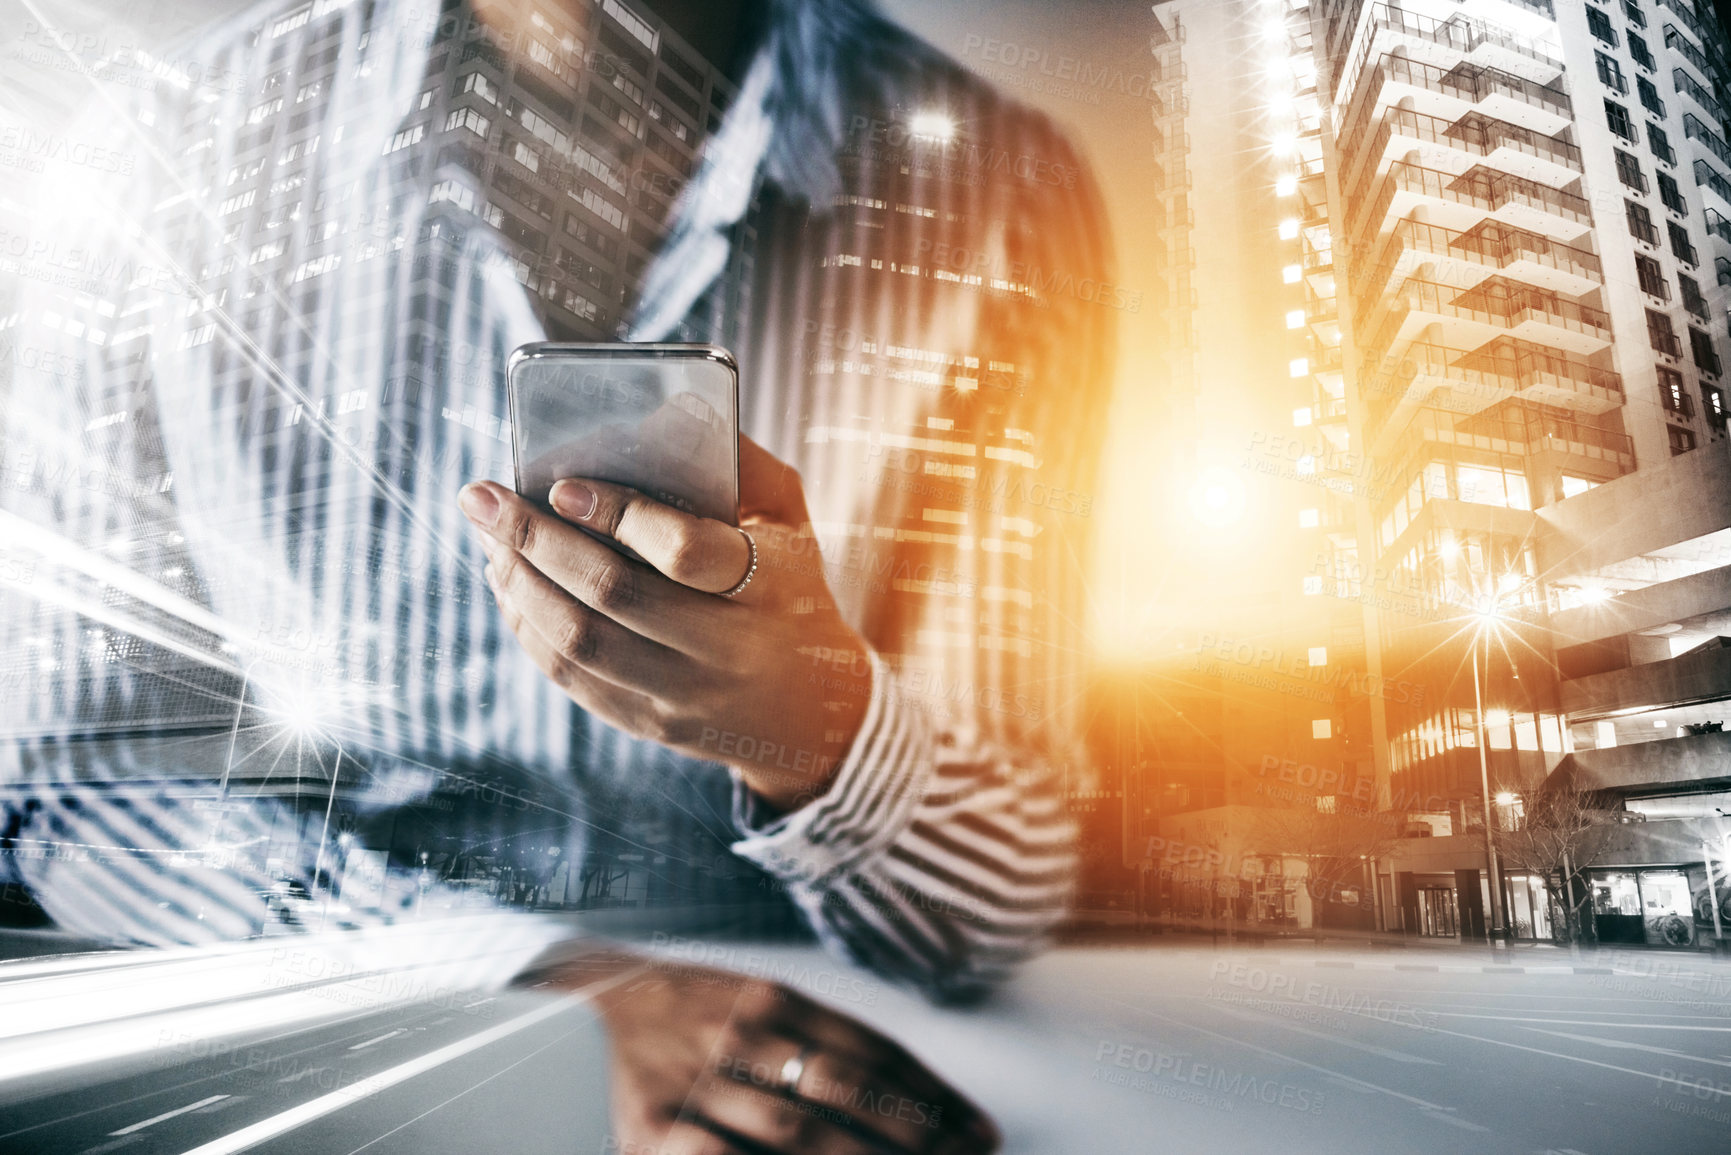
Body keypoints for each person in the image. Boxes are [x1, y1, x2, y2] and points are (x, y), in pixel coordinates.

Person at [0, 1, 1113, 1138]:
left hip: (804, 1066)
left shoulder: (1001, 193)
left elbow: (998, 895)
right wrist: (525, 984)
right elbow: (83, 791)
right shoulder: (159, 156)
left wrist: (821, 729)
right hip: (346, 1072)